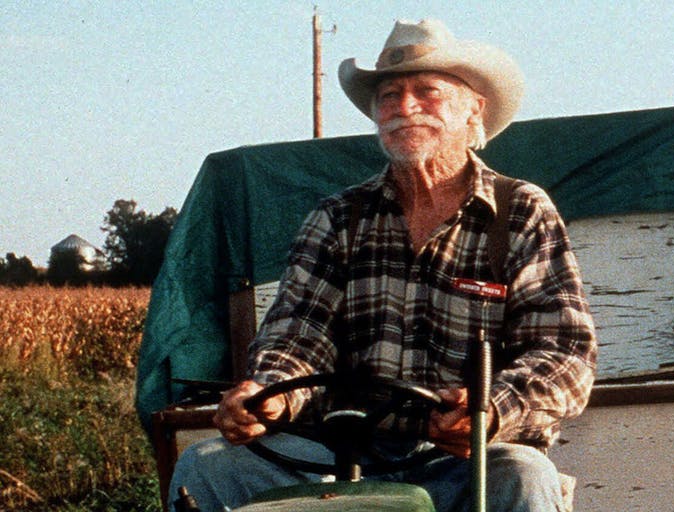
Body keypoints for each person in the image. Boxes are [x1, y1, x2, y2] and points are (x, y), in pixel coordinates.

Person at [170, 19, 597, 512]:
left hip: (463, 460)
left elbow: (564, 352)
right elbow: (297, 337)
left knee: (524, 473)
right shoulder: (338, 218)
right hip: (342, 454)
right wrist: (269, 394)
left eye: (426, 91)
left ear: (474, 109)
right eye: (390, 95)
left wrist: (491, 411)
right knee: (208, 465)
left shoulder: (519, 211)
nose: (405, 107)